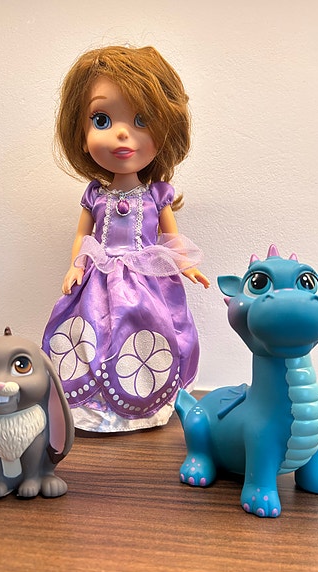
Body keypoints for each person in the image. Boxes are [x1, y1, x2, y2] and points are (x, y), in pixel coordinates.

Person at [42, 45, 209, 432]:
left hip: (146, 280)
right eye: (101, 119)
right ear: (81, 135)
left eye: (141, 120)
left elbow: (171, 237)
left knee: (149, 332)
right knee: (91, 333)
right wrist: (75, 266)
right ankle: (94, 405)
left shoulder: (156, 196)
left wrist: (186, 265)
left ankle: (145, 401)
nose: (121, 133)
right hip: (98, 278)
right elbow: (83, 235)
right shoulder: (95, 196)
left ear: (165, 131)